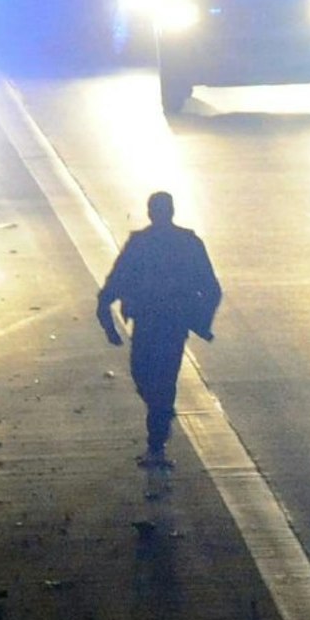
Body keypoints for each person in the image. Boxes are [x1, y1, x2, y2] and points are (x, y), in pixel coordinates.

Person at [96, 192, 222, 469]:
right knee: (155, 379)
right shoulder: (186, 243)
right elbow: (212, 290)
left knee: (149, 376)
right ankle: (161, 416)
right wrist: (201, 320)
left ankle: (157, 439)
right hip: (169, 324)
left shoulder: (144, 244)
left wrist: (108, 318)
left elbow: (116, 281)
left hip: (155, 323)